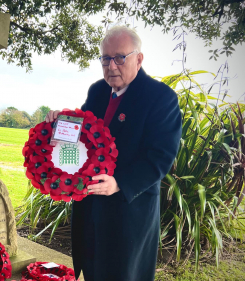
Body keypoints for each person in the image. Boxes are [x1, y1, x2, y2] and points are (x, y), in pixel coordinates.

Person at [45, 25, 182, 281]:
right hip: (90, 206)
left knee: (122, 274)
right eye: (105, 58)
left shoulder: (161, 98)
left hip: (128, 212)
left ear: (138, 59)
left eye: (120, 57)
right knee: (93, 269)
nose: (112, 66)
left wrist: (119, 183)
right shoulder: (97, 90)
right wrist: (59, 123)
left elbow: (160, 156)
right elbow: (82, 133)